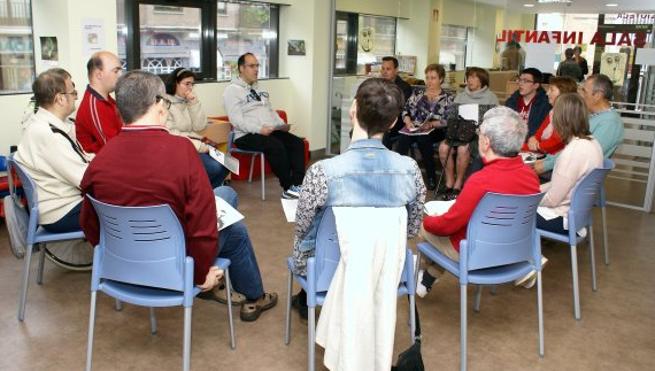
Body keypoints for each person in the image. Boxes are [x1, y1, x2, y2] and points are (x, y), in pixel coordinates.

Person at [80, 70, 277, 322]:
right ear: (159, 105)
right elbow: (202, 224)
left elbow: (90, 225)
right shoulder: (181, 152)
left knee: (229, 211)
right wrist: (199, 273)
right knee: (232, 217)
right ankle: (253, 295)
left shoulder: (101, 160)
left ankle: (253, 294)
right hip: (175, 266)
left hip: (122, 267)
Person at [291, 78, 426, 370]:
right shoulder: (410, 170)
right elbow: (413, 227)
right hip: (386, 270)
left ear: (353, 111)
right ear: (392, 124)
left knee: (304, 247)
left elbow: (303, 229)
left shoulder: (322, 172)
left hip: (329, 269)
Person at [418, 107, 540, 295]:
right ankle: (428, 277)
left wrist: (428, 220)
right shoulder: (531, 176)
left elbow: (448, 226)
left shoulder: (480, 180)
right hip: (513, 249)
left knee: (424, 227)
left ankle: (426, 275)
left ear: (486, 142)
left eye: (479, 133)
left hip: (474, 253)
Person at [14, 68, 91, 233]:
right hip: (63, 212)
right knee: (118, 208)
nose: (76, 96)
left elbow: (77, 159)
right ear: (60, 99)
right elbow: (85, 179)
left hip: (57, 205)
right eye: (73, 92)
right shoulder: (48, 134)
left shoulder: (43, 124)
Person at [223, 52, 305, 199]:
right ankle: (288, 187)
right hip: (246, 135)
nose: (256, 69)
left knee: (297, 143)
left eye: (257, 66)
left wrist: (281, 125)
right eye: (252, 66)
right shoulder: (232, 90)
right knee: (276, 146)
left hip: (268, 131)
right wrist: (259, 129)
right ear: (241, 69)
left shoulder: (260, 88)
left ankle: (297, 185)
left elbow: (270, 111)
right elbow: (236, 120)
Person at [537, 93, 603, 234]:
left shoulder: (573, 152)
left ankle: (527, 254)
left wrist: (527, 199)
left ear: (561, 119)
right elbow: (561, 183)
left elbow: (552, 199)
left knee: (510, 213)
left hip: (561, 218)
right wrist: (535, 190)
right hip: (578, 216)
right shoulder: (591, 142)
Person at [535, 74, 624, 174]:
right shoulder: (595, 116)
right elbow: (571, 148)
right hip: (565, 169)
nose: (580, 94)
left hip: (572, 176)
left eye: (584, 91)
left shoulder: (610, 123)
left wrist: (546, 165)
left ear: (597, 95)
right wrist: (546, 161)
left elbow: (581, 154)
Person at [164, 67, 228, 188]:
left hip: (194, 144)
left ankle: (208, 194)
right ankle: (203, 194)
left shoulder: (187, 101)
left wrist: (194, 103)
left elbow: (199, 126)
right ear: (175, 83)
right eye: (186, 84)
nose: (190, 88)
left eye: (192, 84)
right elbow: (171, 133)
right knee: (215, 168)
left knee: (226, 165)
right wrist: (198, 143)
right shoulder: (165, 103)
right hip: (180, 148)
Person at [396, 64, 453, 190]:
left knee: (423, 139)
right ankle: (397, 175)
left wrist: (431, 124)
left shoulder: (447, 98)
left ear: (441, 79)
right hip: (415, 127)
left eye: (433, 78)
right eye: (427, 78)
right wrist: (407, 121)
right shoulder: (418, 93)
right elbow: (405, 110)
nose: (429, 81)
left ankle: (431, 177)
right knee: (403, 138)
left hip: (436, 130)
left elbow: (448, 120)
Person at [75, 51, 124, 153]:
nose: (121, 75)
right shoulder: (94, 106)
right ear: (99, 75)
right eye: (116, 71)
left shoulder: (106, 99)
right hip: (105, 164)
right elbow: (113, 147)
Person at [523, 76, 578, 155]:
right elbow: (538, 134)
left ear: (563, 94)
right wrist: (533, 139)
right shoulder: (553, 111)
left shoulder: (567, 115)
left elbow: (555, 143)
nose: (547, 93)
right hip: (542, 152)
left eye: (552, 90)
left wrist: (535, 146)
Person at [505, 67, 551, 138]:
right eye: (520, 80)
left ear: (536, 85)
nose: (520, 83)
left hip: (531, 143)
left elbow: (539, 131)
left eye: (525, 81)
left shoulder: (545, 104)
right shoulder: (512, 101)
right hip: (511, 141)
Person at [380, 56, 413, 150]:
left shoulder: (404, 87)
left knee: (383, 132)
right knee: (358, 130)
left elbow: (401, 110)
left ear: (396, 70)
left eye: (388, 69)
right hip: (378, 119)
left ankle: (386, 161)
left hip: (396, 122)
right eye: (383, 68)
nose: (384, 72)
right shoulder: (377, 84)